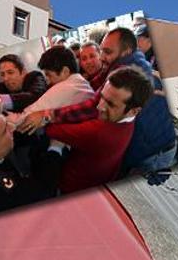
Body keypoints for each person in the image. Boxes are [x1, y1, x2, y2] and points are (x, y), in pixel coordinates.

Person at [18, 27, 178, 176]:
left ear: (126, 50)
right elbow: (99, 85)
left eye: (106, 52)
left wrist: (47, 116)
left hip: (152, 155)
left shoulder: (125, 71)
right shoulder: (127, 61)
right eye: (100, 51)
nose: (101, 57)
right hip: (155, 145)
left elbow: (93, 107)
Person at [45, 66, 152, 194]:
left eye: (110, 104)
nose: (99, 106)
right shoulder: (129, 119)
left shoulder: (99, 132)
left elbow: (52, 130)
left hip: (73, 187)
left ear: (134, 110)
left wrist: (46, 115)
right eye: (101, 97)